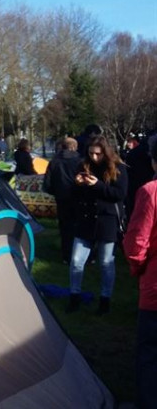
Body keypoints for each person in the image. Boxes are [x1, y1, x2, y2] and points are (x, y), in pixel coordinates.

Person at [67, 135, 128, 315]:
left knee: (105, 262)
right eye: (91, 153)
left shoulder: (118, 168)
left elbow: (120, 194)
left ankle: (105, 300)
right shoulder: (83, 165)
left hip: (107, 220)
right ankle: (74, 296)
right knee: (76, 261)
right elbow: (74, 195)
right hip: (86, 220)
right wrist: (77, 185)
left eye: (98, 154)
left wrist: (98, 185)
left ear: (106, 153)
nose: (94, 157)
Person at [123, 136, 157, 409]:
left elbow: (136, 244)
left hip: (155, 288)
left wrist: (137, 269)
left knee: (150, 354)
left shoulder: (150, 192)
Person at [43, 137, 83, 263]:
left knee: (65, 227)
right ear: (75, 147)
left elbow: (47, 183)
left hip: (62, 198)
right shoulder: (80, 161)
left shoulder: (54, 162)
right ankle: (82, 255)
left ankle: (66, 255)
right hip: (79, 197)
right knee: (80, 226)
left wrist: (56, 192)